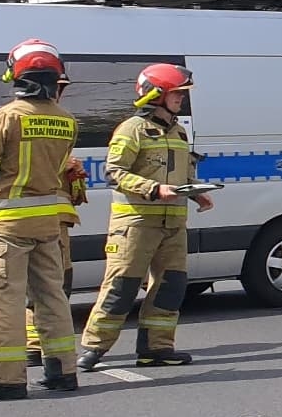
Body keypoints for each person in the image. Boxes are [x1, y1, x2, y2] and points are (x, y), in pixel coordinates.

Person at [0, 39, 88, 400]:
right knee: (52, 296)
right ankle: (63, 371)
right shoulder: (66, 120)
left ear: (16, 76)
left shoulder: (5, 117)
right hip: (47, 223)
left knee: (6, 300)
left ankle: (6, 379)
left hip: (8, 224)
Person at [79, 64, 214, 370]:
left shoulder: (179, 131)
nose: (181, 98)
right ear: (155, 94)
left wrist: (196, 192)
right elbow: (114, 173)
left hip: (173, 225)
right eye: (176, 93)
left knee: (171, 286)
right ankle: (94, 348)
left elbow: (183, 171)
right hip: (136, 224)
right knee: (121, 287)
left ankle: (157, 348)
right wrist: (154, 189)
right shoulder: (131, 129)